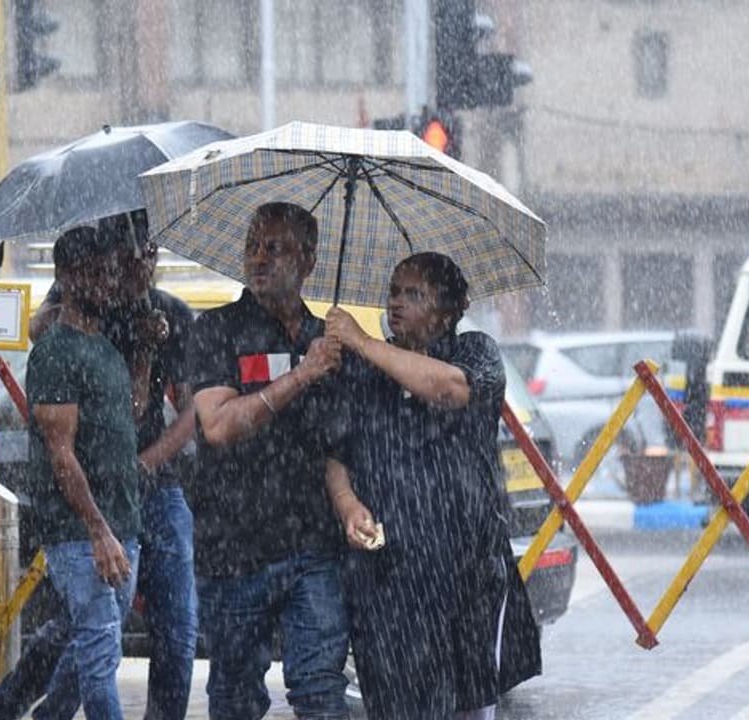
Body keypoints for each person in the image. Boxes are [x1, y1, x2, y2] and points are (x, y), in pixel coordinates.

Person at [0, 213, 198, 720]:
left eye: (150, 252)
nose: (140, 263)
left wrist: (146, 461)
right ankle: (25, 705)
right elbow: (40, 338)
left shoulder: (168, 316)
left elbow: (185, 412)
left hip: (152, 489)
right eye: (127, 255)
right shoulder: (83, 313)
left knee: (171, 628)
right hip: (90, 493)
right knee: (90, 630)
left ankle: (31, 708)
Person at [323, 252, 541, 720]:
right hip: (387, 579)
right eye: (395, 292)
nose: (397, 303)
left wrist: (361, 341)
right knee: (392, 705)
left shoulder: (476, 353)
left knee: (466, 704)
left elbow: (448, 389)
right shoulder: (362, 371)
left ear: (447, 311)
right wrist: (347, 505)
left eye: (414, 294)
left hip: (466, 575)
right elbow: (338, 455)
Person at [188, 201, 349, 720]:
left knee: (321, 691)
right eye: (252, 245)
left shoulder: (326, 341)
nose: (258, 257)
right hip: (234, 549)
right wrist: (302, 375)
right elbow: (217, 426)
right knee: (236, 700)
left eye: (274, 248)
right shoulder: (216, 330)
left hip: (312, 546)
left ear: (308, 261)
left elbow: (338, 444)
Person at [24, 226, 142, 720]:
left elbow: (130, 415)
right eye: (94, 274)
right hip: (79, 534)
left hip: (122, 525)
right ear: (66, 279)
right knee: (98, 652)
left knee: (90, 647)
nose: (107, 283)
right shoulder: (55, 352)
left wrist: (147, 348)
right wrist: (98, 532)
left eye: (110, 272)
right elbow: (61, 455)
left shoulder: (107, 348)